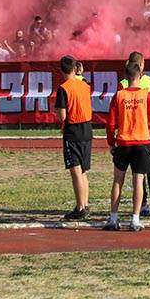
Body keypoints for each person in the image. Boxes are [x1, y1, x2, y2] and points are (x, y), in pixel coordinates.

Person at [104, 60, 150, 231]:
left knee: (117, 181)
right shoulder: (146, 95)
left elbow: (110, 123)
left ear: (125, 77)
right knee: (138, 181)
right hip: (142, 142)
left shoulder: (119, 95)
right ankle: (135, 219)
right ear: (140, 75)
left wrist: (111, 142)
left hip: (123, 142)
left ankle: (113, 218)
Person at [122, 51, 150, 217]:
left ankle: (142, 204)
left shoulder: (123, 83)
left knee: (135, 172)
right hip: (146, 131)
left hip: (128, 131)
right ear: (142, 65)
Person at [54, 54, 93, 220]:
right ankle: (84, 203)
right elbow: (81, 81)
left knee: (75, 170)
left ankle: (80, 207)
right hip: (87, 128)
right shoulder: (84, 84)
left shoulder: (64, 88)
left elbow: (62, 115)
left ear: (61, 70)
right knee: (83, 171)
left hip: (73, 130)